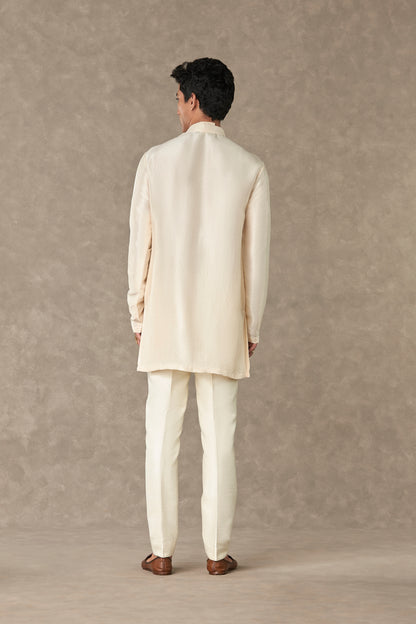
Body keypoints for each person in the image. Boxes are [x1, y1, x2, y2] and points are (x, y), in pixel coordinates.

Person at [127, 57, 271, 575]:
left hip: (165, 319)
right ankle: (216, 553)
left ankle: (162, 552)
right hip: (222, 322)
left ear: (192, 100)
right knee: (220, 442)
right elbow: (256, 259)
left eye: (178, 99)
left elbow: (140, 246)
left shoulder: (155, 160)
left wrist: (138, 312)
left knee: (160, 440)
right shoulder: (250, 167)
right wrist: (251, 325)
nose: (177, 109)